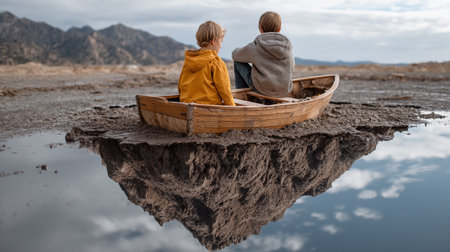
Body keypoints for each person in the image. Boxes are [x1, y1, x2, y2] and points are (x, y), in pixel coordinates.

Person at [232, 11, 294, 97]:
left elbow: (235, 55)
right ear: (279, 29)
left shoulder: (256, 46)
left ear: (260, 29)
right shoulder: (287, 47)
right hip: (284, 90)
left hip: (261, 88)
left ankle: (242, 96)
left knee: (237, 61)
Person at [178, 21, 236, 106]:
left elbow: (180, 86)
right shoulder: (216, 62)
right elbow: (224, 90)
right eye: (221, 41)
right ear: (214, 41)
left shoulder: (189, 59)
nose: (221, 45)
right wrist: (232, 107)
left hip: (186, 105)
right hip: (209, 107)